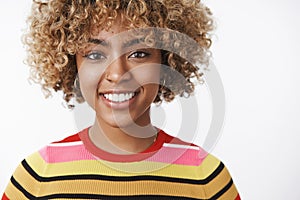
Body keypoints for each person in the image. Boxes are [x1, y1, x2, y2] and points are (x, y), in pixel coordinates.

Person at [2, 0, 240, 199]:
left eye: (139, 53)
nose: (117, 73)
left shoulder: (207, 179)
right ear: (71, 65)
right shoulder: (36, 178)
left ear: (166, 61)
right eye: (95, 55)